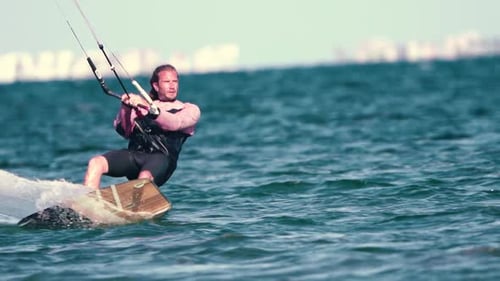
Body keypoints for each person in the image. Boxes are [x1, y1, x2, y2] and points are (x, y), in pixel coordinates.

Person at [84, 64, 201, 189]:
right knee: (95, 163)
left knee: (144, 177)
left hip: (162, 161)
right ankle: (87, 202)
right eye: (167, 82)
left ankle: (138, 203)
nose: (172, 86)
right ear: (156, 86)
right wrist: (126, 108)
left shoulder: (189, 109)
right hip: (135, 156)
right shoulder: (139, 106)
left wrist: (147, 108)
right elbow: (124, 131)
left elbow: (175, 123)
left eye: (175, 81)